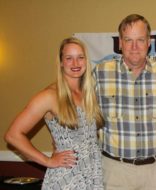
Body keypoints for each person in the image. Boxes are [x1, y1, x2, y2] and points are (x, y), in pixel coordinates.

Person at [4, 37, 104, 190]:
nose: (75, 64)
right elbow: (13, 135)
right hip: (67, 178)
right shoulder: (49, 96)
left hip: (93, 174)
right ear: (61, 62)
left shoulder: (89, 94)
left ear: (86, 61)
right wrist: (48, 161)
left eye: (80, 58)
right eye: (69, 58)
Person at [93, 14, 156, 190]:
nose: (135, 47)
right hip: (114, 171)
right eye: (128, 40)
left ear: (149, 42)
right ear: (120, 42)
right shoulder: (100, 73)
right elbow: (79, 111)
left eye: (140, 40)